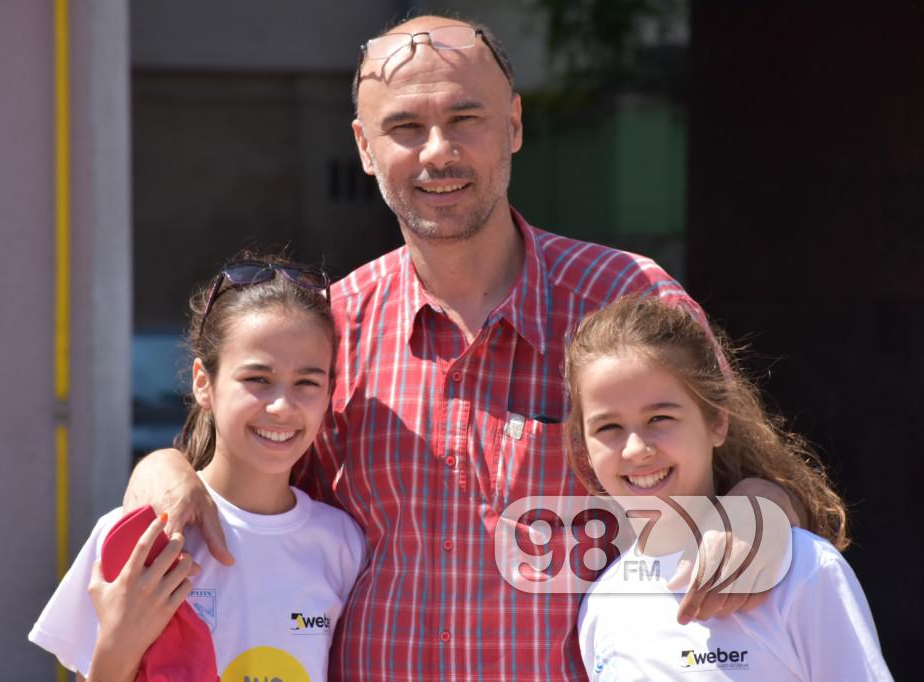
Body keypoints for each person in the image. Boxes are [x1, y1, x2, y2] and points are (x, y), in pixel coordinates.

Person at [124, 15, 804, 680]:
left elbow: (768, 480)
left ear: (513, 124)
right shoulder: (332, 330)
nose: (437, 152)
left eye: (464, 118)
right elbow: (238, 499)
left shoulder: (629, 296)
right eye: (405, 128)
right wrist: (162, 470)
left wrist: (764, 507)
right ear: (365, 147)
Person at [29, 256, 365, 681]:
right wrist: (118, 642)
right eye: (258, 379)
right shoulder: (138, 537)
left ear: (330, 392)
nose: (282, 406)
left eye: (307, 383)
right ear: (203, 384)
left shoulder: (342, 545)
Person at [568, 295, 892, 680]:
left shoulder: (805, 570)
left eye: (660, 417)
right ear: (584, 446)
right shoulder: (604, 605)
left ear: (717, 422)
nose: (637, 449)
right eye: (609, 428)